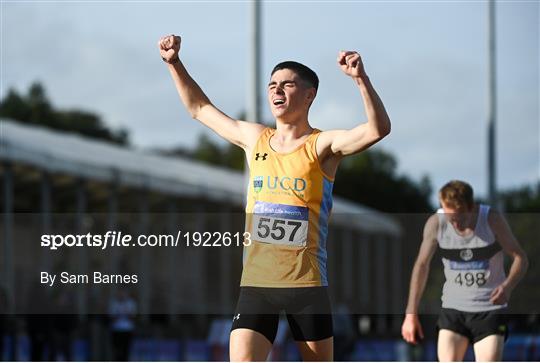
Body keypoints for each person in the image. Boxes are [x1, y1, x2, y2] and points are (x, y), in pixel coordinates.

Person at [158, 34, 391, 361]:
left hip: (306, 286)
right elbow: (199, 108)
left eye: (287, 84)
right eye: (272, 85)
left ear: (309, 96)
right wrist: (174, 63)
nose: (277, 90)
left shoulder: (322, 146)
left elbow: (377, 130)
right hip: (257, 284)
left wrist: (361, 80)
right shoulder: (255, 138)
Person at [401, 180, 529, 361]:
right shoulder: (436, 223)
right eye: (449, 218)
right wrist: (410, 313)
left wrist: (507, 287)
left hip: (488, 309)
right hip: (454, 310)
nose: (455, 225)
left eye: (459, 218)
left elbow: (520, 258)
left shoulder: (491, 220)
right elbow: (422, 266)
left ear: (471, 207)